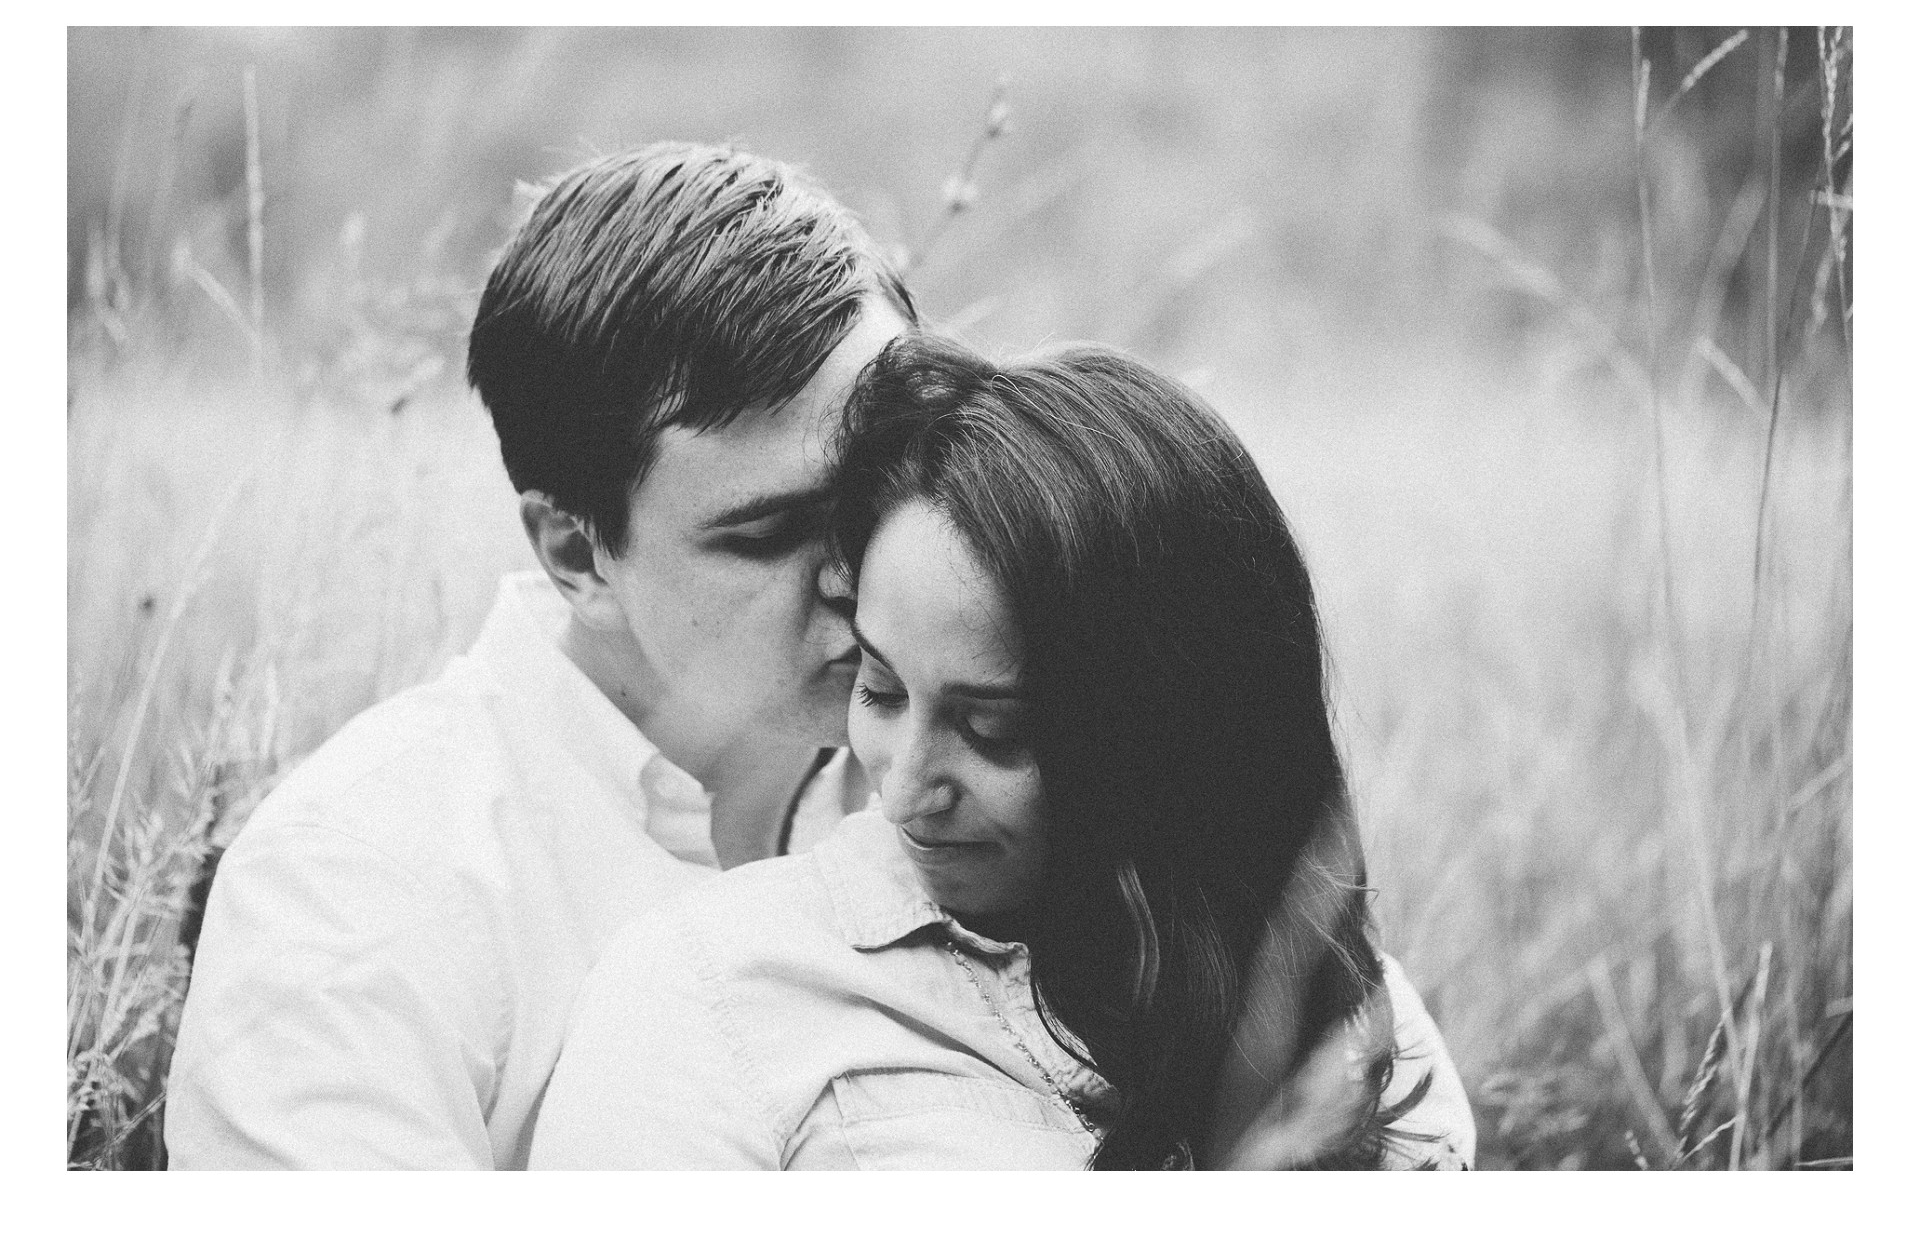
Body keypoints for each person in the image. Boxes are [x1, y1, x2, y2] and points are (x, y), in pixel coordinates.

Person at [530, 333, 1474, 1170]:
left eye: (996, 730)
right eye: (881, 688)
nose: (903, 791)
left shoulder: (1352, 1031)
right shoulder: (708, 995)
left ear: (1169, 737)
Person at [165, 142, 915, 1168]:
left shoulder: (1008, 772)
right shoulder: (356, 890)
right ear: (575, 551)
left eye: (884, 490)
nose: (860, 572)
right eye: (773, 531)